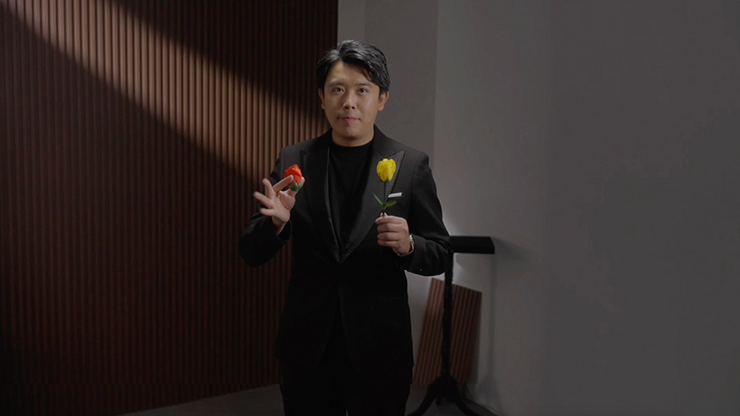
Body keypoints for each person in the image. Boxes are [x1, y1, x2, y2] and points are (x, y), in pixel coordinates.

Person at [239, 40, 452, 416]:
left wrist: (409, 245)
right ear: (322, 98)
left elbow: (441, 252)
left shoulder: (410, 165)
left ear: (382, 99)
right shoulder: (294, 159)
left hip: (380, 350)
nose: (349, 102)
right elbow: (250, 252)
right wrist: (275, 224)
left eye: (362, 90)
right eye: (337, 89)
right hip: (308, 350)